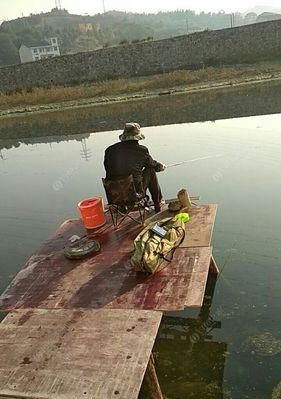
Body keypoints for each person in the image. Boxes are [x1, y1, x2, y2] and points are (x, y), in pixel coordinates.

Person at [104, 122, 166, 212]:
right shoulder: (141, 150)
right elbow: (153, 165)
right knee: (150, 170)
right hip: (134, 195)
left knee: (120, 176)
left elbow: (108, 169)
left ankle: (122, 207)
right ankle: (158, 203)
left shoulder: (109, 150)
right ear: (137, 137)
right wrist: (161, 166)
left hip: (114, 196)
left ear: (124, 136)